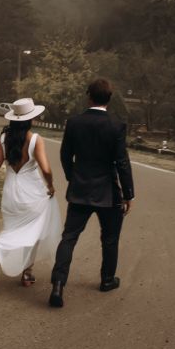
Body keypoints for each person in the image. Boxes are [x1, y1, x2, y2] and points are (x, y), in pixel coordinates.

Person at [49, 79, 135, 307]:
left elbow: (65, 156)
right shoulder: (117, 126)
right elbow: (122, 163)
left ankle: (58, 284)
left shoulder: (74, 122)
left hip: (80, 189)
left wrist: (72, 177)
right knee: (110, 238)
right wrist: (129, 194)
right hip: (108, 193)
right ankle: (107, 280)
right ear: (109, 98)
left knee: (69, 237)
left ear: (89, 97)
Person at [0, 98, 62, 291]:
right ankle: (27, 274)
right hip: (32, 194)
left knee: (12, 231)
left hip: (11, 192)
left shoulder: (3, 139)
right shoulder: (35, 140)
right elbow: (46, 169)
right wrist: (50, 186)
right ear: (30, 119)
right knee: (34, 232)